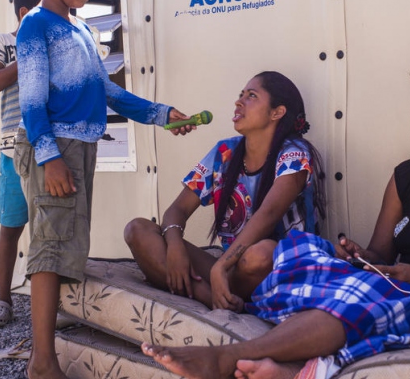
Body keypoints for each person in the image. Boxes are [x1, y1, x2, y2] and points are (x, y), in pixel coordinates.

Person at [141, 64, 410, 379]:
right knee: (342, 285)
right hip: (396, 279)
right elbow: (380, 252)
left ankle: (227, 358)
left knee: (348, 303)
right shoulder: (407, 175)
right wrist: (361, 255)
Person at [14, 0, 194, 379]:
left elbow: (106, 90)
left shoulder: (79, 28)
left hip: (77, 147)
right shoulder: (36, 26)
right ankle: (43, 362)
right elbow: (32, 100)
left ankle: (47, 352)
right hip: (54, 147)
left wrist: (160, 113)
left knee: (66, 246)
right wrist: (49, 155)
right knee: (50, 250)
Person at [125, 71, 326, 312]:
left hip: (279, 271)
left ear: (277, 113)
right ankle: (213, 299)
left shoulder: (295, 153)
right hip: (230, 272)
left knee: (261, 254)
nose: (238, 101)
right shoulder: (225, 152)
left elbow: (270, 212)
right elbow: (177, 209)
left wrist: (219, 267)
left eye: (251, 96)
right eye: (241, 95)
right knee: (138, 229)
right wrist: (175, 244)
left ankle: (217, 294)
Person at [0, 0, 71, 330]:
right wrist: (30, 55)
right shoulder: (4, 42)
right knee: (11, 226)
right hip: (11, 151)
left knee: (51, 230)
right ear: (25, 13)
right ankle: (3, 300)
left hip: (49, 149)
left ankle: (53, 304)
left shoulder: (57, 44)